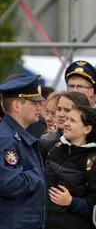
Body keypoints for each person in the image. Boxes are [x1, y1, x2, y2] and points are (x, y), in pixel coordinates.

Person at [44, 105, 96, 229]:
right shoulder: (54, 148)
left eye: (73, 121)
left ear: (87, 129)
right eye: (67, 119)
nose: (66, 123)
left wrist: (71, 202)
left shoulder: (94, 159)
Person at [0, 75, 46, 229]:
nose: (39, 107)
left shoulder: (15, 136)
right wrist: (37, 174)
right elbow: (10, 183)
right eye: (34, 103)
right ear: (17, 106)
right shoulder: (7, 139)